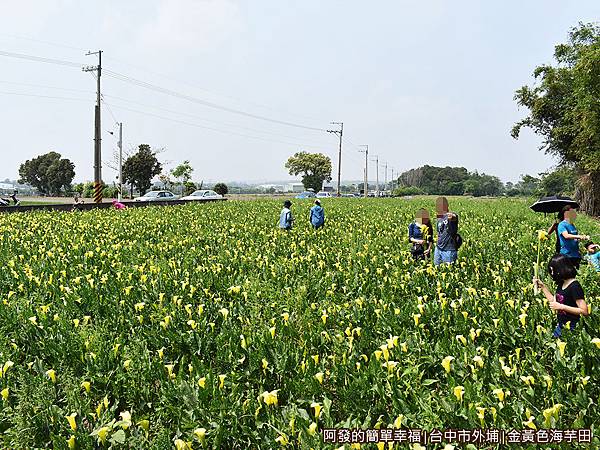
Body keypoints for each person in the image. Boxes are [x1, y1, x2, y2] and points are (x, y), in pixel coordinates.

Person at [534, 254, 589, 337]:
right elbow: (554, 301)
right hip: (561, 325)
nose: (552, 273)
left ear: (561, 269)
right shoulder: (562, 283)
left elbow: (584, 311)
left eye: (553, 270)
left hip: (573, 326)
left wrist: (561, 307)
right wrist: (542, 287)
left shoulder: (574, 286)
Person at [434, 197, 460, 265]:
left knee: (449, 271)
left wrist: (452, 216)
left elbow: (454, 217)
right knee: (437, 270)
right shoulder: (439, 218)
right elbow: (439, 232)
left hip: (449, 251)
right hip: (438, 249)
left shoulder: (450, 215)